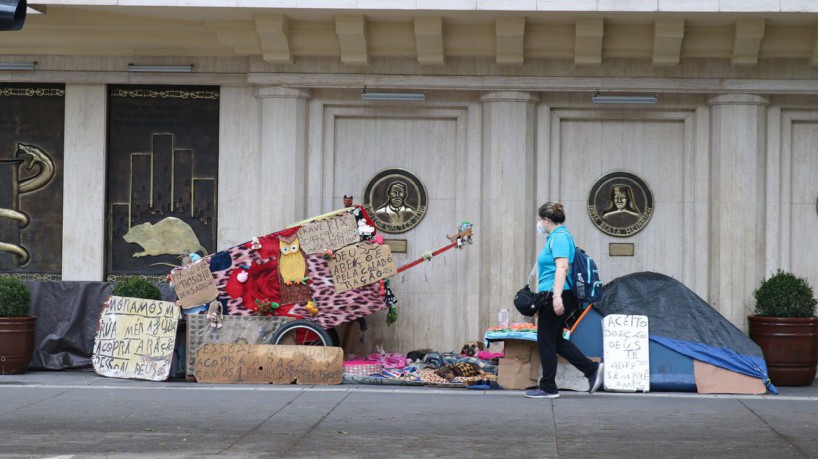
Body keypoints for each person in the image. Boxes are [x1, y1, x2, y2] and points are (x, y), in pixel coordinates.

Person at [525, 202, 604, 399]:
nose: (539, 223)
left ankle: (548, 387)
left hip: (559, 294)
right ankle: (591, 370)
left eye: (540, 219)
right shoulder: (557, 237)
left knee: (545, 339)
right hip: (557, 294)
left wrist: (557, 297)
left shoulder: (559, 237)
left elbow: (562, 268)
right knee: (555, 339)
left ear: (545, 220)